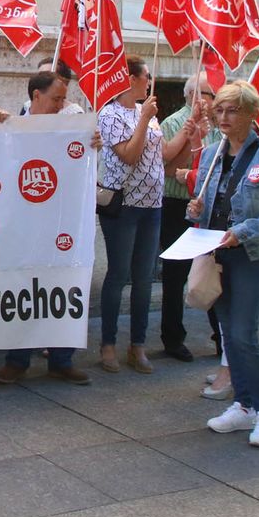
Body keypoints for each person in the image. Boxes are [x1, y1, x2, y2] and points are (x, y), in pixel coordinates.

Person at [187, 81, 259, 449]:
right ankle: (244, 405)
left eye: (232, 110)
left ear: (252, 114)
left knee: (243, 334)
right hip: (215, 254)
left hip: (250, 254)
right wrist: (196, 211)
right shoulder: (209, 155)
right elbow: (207, 203)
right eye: (219, 109)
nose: (223, 117)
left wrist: (246, 230)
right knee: (227, 333)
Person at [96, 55, 203, 374]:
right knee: (119, 274)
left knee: (144, 278)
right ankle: (108, 344)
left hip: (151, 205)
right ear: (128, 79)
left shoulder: (150, 115)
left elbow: (165, 156)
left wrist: (188, 131)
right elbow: (128, 155)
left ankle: (137, 345)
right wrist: (143, 119)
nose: (149, 81)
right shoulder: (111, 113)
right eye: (145, 77)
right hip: (123, 204)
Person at [0, 69, 95, 386]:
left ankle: (61, 359)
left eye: (64, 99)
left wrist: (92, 143)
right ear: (36, 96)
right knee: (23, 289)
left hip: (60, 222)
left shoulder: (69, 126)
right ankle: (17, 360)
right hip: (23, 223)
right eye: (56, 98)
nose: (62, 104)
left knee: (63, 285)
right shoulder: (11, 123)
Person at [157, 74, 219, 363]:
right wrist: (194, 141)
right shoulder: (171, 123)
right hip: (176, 204)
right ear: (195, 96)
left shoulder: (219, 126)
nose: (215, 100)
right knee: (175, 274)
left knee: (215, 270)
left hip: (209, 207)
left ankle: (221, 336)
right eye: (210, 94)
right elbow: (170, 169)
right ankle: (173, 337)